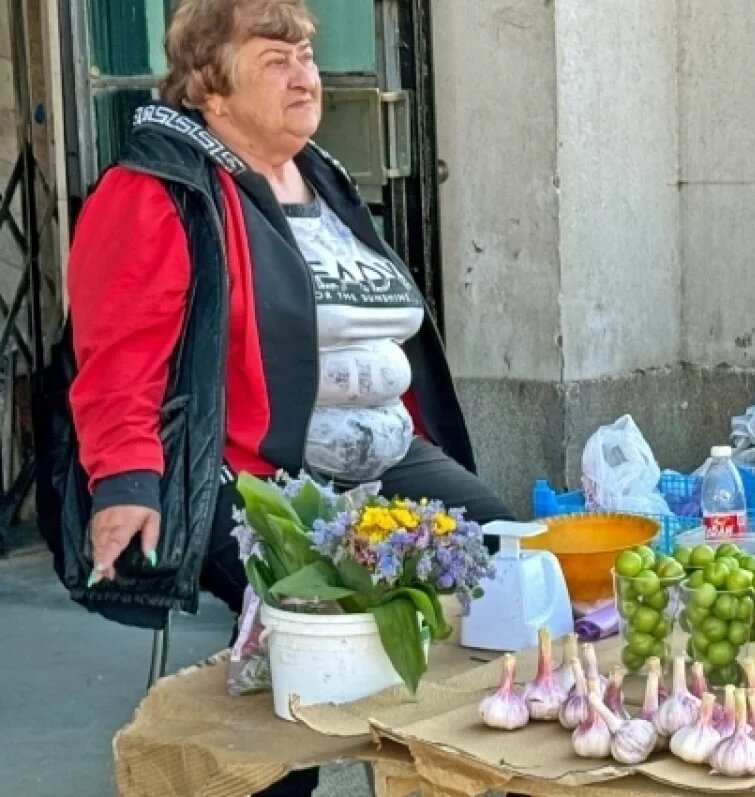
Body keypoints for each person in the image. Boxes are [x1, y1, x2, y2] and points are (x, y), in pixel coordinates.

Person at [45, 1, 511, 794]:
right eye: (274, 60)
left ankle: (445, 766)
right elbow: (118, 351)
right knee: (311, 630)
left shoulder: (321, 176)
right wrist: (125, 481)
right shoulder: (156, 188)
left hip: (384, 455)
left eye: (305, 56)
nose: (304, 76)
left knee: (504, 558)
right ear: (210, 89)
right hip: (259, 471)